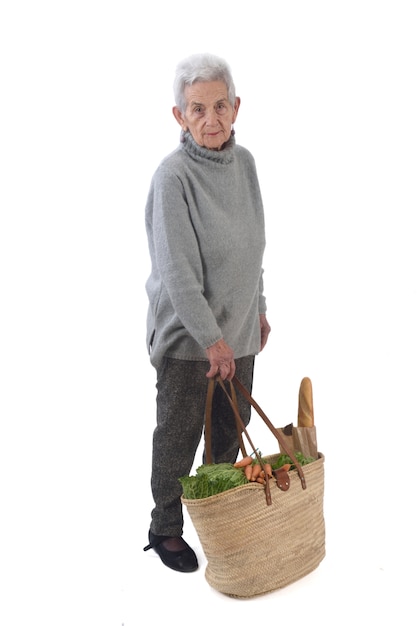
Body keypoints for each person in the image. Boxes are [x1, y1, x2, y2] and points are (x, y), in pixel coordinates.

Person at [143, 52, 271, 573]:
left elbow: (253, 244)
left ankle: (215, 514)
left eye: (220, 105)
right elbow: (177, 273)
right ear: (179, 116)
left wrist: (258, 309)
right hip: (189, 338)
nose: (211, 119)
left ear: (237, 107)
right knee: (179, 435)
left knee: (226, 435)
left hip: (238, 332)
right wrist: (210, 340)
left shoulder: (245, 165)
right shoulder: (172, 178)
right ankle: (165, 526)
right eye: (197, 109)